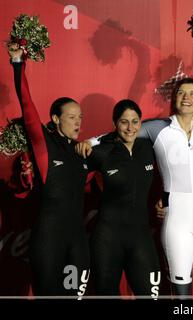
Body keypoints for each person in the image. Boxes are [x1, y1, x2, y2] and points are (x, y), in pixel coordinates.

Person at [77, 27, 193, 296]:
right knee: (178, 294)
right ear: (174, 99)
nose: (187, 97)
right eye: (181, 93)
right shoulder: (158, 129)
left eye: (192, 94)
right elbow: (123, 129)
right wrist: (92, 142)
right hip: (176, 216)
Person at [8, 46, 90, 297]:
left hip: (77, 241)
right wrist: (18, 62)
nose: (78, 122)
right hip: (48, 241)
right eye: (71, 117)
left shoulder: (82, 150)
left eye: (80, 117)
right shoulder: (44, 145)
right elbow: (27, 105)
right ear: (55, 119)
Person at [85, 99, 161, 297]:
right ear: (115, 123)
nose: (130, 128)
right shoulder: (101, 152)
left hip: (141, 238)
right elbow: (66, 178)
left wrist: (165, 200)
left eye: (135, 121)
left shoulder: (150, 148)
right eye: (124, 122)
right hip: (108, 239)